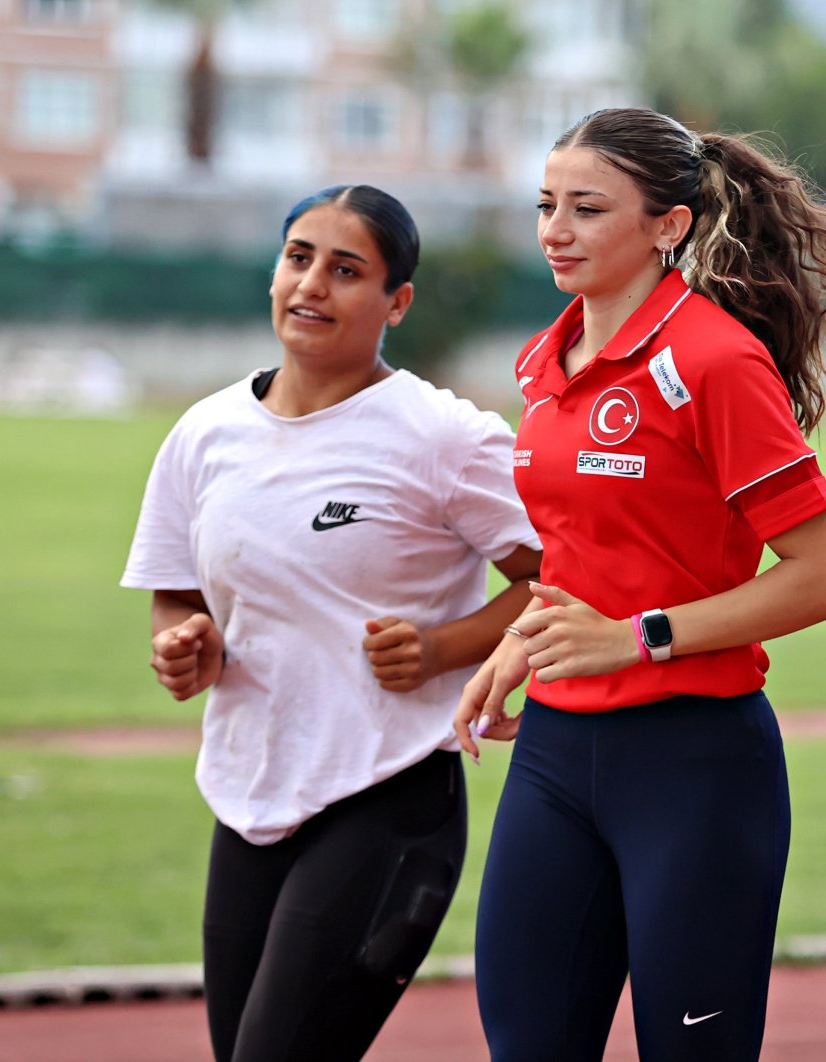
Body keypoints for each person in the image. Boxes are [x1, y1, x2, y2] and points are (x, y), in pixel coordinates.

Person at [451, 107, 826, 1060]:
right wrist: (521, 642)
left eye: (588, 208)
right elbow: (586, 549)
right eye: (546, 204)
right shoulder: (545, 361)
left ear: (668, 226)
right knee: (527, 1042)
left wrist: (639, 637)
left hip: (693, 766)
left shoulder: (716, 361)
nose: (555, 229)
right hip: (554, 755)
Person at [121, 184, 542, 1062]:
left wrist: (443, 649)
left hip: (388, 798)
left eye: (346, 270)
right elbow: (177, 590)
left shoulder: (442, 436)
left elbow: (564, 578)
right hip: (248, 798)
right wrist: (182, 645)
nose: (311, 284)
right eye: (298, 258)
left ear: (397, 302)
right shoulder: (204, 433)